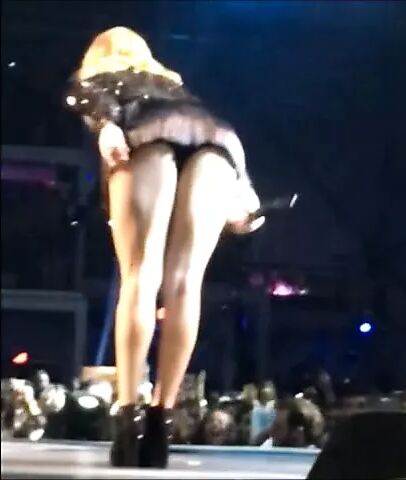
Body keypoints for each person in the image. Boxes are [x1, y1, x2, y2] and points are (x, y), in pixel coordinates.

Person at [65, 26, 264, 468]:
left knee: (141, 275)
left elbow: (88, 99)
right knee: (186, 284)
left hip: (145, 135)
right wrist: (243, 191)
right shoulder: (174, 85)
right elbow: (215, 131)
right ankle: (161, 423)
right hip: (219, 147)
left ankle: (128, 421)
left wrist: (105, 127)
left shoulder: (99, 77)